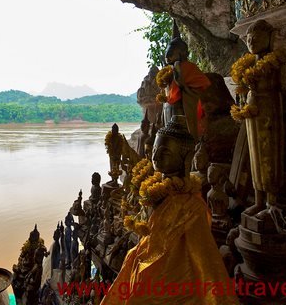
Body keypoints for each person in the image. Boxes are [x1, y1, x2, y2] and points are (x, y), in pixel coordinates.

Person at [101, 116, 236, 305]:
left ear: (186, 158)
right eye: (155, 150)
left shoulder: (192, 206)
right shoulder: (154, 189)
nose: (155, 157)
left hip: (176, 270)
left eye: (164, 152)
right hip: (149, 252)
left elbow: (204, 256)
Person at [241, 19, 286, 223]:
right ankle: (258, 200)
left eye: (256, 38)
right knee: (255, 155)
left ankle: (272, 202)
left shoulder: (275, 61)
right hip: (252, 109)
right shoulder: (247, 64)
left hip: (269, 107)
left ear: (269, 38)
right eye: (249, 39)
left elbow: (283, 86)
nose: (251, 42)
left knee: (269, 152)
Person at [161, 22, 211, 140]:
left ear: (182, 53)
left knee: (189, 136)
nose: (168, 58)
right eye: (167, 55)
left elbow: (176, 94)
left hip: (187, 105)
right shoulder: (172, 69)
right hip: (173, 111)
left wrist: (180, 84)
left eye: (171, 54)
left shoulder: (187, 67)